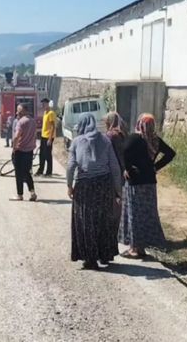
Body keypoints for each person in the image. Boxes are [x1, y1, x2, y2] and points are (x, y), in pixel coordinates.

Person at [67, 113, 122, 270]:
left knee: (86, 222)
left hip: (84, 186)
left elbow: (71, 166)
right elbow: (115, 168)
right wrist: (118, 191)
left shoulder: (77, 142)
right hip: (104, 186)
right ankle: (104, 254)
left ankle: (90, 258)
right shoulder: (105, 140)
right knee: (104, 220)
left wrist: (69, 185)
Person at [119, 113, 176, 259]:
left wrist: (128, 169)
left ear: (139, 124)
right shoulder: (155, 140)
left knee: (135, 214)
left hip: (135, 183)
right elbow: (171, 153)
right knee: (147, 213)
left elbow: (123, 152)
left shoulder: (134, 139)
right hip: (149, 182)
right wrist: (156, 167)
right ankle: (143, 247)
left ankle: (135, 249)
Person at [104, 112, 127, 235]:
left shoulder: (110, 135)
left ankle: (115, 226)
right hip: (123, 168)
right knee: (121, 197)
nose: (105, 123)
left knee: (114, 198)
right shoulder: (122, 133)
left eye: (106, 121)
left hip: (113, 170)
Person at [12, 104, 37, 202]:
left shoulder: (20, 122)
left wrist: (14, 148)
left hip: (20, 151)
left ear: (23, 111)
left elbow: (16, 136)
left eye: (18, 111)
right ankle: (32, 192)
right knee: (27, 172)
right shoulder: (33, 121)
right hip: (29, 151)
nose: (17, 113)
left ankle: (20, 195)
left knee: (19, 173)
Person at [36, 98, 56, 177]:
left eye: (44, 103)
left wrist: (50, 139)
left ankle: (49, 172)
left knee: (48, 155)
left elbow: (52, 126)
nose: (43, 105)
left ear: (48, 104)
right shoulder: (45, 113)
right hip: (43, 136)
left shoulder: (51, 113)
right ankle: (40, 170)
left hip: (48, 137)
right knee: (42, 154)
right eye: (42, 104)